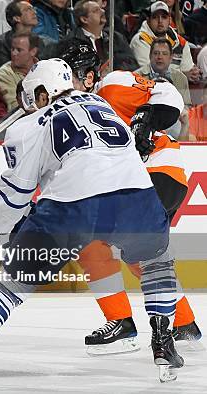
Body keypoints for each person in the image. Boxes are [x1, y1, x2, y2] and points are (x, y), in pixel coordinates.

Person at [0, 58, 184, 383]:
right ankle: (163, 341)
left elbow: (16, 195)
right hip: (133, 195)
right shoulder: (102, 104)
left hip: (71, 207)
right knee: (157, 260)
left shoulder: (27, 127)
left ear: (40, 95)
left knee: (14, 283)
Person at [59, 44, 201, 354]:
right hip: (132, 182)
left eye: (69, 75)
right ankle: (181, 322)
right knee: (125, 253)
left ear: (89, 75)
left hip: (157, 170)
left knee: (118, 247)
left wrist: (145, 118)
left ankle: (129, 323)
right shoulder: (65, 116)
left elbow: (168, 92)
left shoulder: (114, 85)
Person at [130, 1, 201, 83]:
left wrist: (193, 74)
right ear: (148, 20)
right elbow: (151, 74)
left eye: (164, 17)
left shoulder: (180, 42)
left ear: (169, 20)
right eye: (155, 17)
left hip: (178, 89)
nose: (160, 21)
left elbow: (188, 70)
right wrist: (183, 76)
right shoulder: (140, 41)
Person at [56, 0, 138, 71]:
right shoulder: (71, 43)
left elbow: (131, 65)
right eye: (96, 11)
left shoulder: (116, 38)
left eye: (101, 9)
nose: (103, 11)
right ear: (84, 19)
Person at [136, 38, 191, 140]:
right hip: (145, 121)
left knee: (191, 137)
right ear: (150, 56)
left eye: (164, 54)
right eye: (156, 53)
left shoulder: (181, 78)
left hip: (173, 121)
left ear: (171, 58)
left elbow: (186, 106)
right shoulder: (137, 77)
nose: (160, 57)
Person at [0, 1, 41, 69]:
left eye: (33, 9)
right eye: (27, 10)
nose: (34, 12)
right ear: (17, 18)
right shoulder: (2, 42)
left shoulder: (42, 41)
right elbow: (3, 70)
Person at [0, 32, 39, 110]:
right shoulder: (3, 74)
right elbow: (15, 106)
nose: (14, 53)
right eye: (12, 49)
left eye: (19, 50)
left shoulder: (44, 67)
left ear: (33, 51)